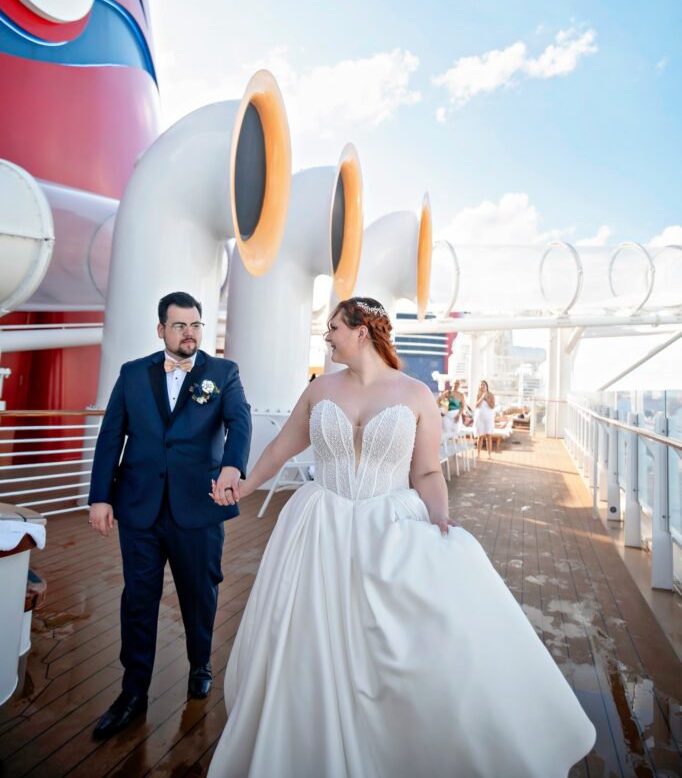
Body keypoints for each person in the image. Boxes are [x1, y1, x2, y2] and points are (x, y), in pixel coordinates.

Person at [208, 296, 595, 778]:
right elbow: (282, 448)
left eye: (333, 327)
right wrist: (243, 485)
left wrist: (440, 518)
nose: (326, 336)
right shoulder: (318, 390)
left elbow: (429, 469)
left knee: (395, 643)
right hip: (319, 526)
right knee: (306, 638)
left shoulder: (415, 395)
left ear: (361, 331)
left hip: (388, 527)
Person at [88, 291, 251, 739]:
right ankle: (133, 692)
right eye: (180, 326)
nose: (190, 333)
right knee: (137, 600)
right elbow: (111, 436)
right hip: (139, 506)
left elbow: (240, 421)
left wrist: (233, 465)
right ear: (161, 330)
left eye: (196, 325)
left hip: (198, 507)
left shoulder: (222, 373)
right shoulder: (132, 373)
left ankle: (201, 664)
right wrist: (99, 496)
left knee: (200, 593)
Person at [475, 378, 496, 458]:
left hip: (489, 418)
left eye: (483, 384)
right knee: (480, 436)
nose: (482, 386)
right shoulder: (478, 395)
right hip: (480, 418)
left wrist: (486, 399)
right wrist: (482, 397)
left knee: (488, 436)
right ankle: (478, 454)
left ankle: (489, 455)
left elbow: (492, 406)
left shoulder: (491, 395)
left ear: (487, 386)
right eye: (480, 385)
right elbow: (476, 406)